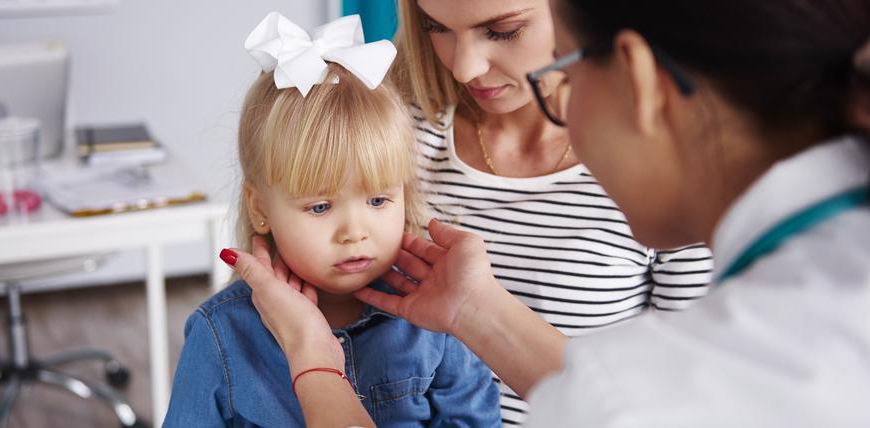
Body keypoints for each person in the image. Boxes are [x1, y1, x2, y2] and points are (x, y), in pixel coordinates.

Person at [218, 0, 870, 426]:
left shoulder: (643, 388)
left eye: (563, 82)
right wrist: (475, 312)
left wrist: (311, 355)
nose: (467, 64)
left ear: (637, 79)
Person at [163, 12, 500, 427]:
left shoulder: (436, 324)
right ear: (260, 208)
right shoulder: (219, 335)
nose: (355, 232)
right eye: (320, 207)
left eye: (378, 200)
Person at [390, 0, 714, 423]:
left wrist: (480, 312)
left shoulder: (671, 169)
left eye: (503, 30)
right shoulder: (394, 127)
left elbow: (690, 409)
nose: (464, 68)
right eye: (437, 26)